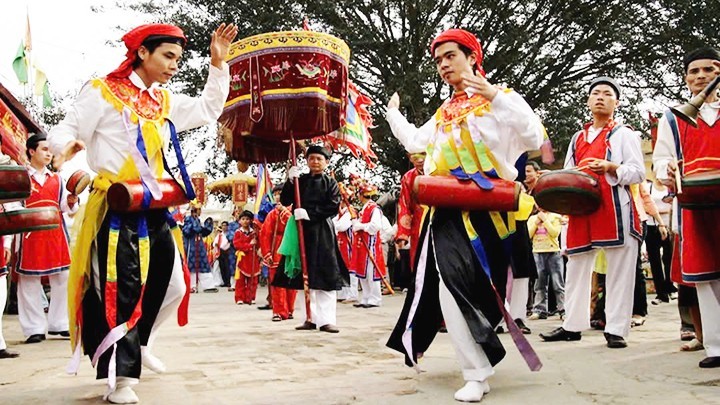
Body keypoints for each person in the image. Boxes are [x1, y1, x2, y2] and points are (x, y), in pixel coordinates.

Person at [48, 22, 237, 403]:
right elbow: (66, 129)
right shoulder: (102, 91)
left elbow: (208, 109)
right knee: (122, 290)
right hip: (114, 207)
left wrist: (218, 64)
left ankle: (144, 340)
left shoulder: (163, 101)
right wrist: (68, 154)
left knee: (175, 285)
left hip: (152, 206)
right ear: (142, 53)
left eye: (179, 59)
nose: (174, 66)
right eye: (167, 56)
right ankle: (121, 381)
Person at [385, 28, 545, 402]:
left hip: (491, 212)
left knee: (479, 291)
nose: (443, 65)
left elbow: (534, 137)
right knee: (448, 283)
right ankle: (476, 371)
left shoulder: (501, 98)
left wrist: (493, 95)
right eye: (438, 60)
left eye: (450, 56)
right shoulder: (444, 112)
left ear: (473, 57)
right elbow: (416, 143)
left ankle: (480, 355)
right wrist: (392, 116)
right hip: (447, 212)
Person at [540, 77, 645, 349]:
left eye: (607, 94)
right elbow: (570, 172)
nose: (600, 97)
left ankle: (616, 329)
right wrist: (552, 178)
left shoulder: (624, 134)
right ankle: (572, 324)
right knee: (576, 265)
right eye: (595, 93)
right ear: (587, 101)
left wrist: (611, 166)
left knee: (620, 268)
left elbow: (638, 172)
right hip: (580, 206)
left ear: (616, 102)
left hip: (614, 207)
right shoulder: (578, 137)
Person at [652, 47, 720, 368]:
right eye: (694, 72)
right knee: (705, 277)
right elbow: (662, 159)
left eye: (709, 70)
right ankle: (716, 346)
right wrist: (668, 170)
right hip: (694, 204)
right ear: (685, 78)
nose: (701, 76)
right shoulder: (672, 118)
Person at [273, 145, 346, 334]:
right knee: (304, 275)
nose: (315, 162)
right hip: (301, 231)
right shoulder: (300, 181)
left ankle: (327, 320)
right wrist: (290, 180)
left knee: (325, 275)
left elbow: (333, 206)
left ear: (326, 162)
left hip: (322, 231)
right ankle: (309, 318)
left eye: (319, 159)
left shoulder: (330, 183)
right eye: (311, 158)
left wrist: (310, 213)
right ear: (306, 161)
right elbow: (287, 200)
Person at [16, 133, 78, 344]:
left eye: (50, 150)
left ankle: (59, 324)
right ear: (31, 151)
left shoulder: (57, 179)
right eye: (44, 149)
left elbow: (66, 208)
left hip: (55, 234)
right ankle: (34, 328)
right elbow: (14, 206)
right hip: (29, 234)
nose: (49, 153)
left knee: (62, 279)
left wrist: (71, 201)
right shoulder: (21, 177)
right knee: (29, 281)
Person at [260, 185, 297, 321]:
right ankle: (279, 311)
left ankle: (290, 309)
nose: (278, 196)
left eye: (280, 193)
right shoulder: (271, 214)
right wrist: (267, 253)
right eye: (275, 194)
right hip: (276, 248)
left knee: (290, 281)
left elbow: (295, 227)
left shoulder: (293, 212)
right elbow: (265, 235)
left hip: (290, 246)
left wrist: (285, 212)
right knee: (277, 282)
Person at [395, 151, 426, 291]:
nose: (419, 160)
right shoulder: (408, 177)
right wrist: (403, 233)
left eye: (423, 155)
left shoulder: (441, 171)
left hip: (441, 221)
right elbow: (405, 205)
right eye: (414, 157)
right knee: (420, 261)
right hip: (418, 224)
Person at [352, 183, 385, 308]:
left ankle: (375, 298)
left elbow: (375, 226)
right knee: (363, 271)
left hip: (370, 245)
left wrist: (361, 226)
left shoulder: (374, 208)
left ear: (361, 195)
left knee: (371, 272)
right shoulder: (364, 209)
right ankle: (366, 297)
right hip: (362, 245)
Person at [527, 208, 564, 320]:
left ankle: (563, 309)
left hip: (553, 252)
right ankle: (539, 309)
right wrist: (536, 223)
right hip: (537, 252)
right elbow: (528, 234)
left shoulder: (555, 216)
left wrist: (545, 220)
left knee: (558, 283)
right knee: (539, 284)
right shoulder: (533, 218)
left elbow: (555, 233)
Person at [645, 177, 675, 305]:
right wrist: (659, 213)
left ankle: (670, 287)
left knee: (669, 259)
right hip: (652, 226)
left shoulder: (670, 187)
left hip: (668, 226)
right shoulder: (648, 188)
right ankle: (661, 293)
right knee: (655, 261)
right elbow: (646, 206)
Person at [183, 206, 216, 293]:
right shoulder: (188, 219)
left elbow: (204, 232)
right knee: (191, 265)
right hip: (191, 245)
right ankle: (192, 286)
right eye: (198, 210)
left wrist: (208, 225)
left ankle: (208, 285)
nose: (199, 212)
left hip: (199, 245)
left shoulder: (199, 220)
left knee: (204, 263)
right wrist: (195, 225)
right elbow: (186, 231)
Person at [233, 210, 260, 305]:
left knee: (253, 281)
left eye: (247, 219)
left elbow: (258, 244)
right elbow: (237, 245)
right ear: (239, 221)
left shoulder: (254, 233)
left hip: (253, 258)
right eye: (243, 219)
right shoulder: (238, 232)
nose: (245, 221)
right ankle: (240, 297)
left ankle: (250, 297)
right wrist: (249, 245)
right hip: (243, 258)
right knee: (240, 280)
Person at [334, 201, 357, 302]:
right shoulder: (341, 213)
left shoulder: (349, 212)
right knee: (341, 268)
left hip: (349, 244)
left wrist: (335, 224)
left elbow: (341, 226)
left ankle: (352, 294)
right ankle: (343, 293)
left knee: (350, 269)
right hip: (341, 243)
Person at [213, 221, 232, 287]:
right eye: (223, 225)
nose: (224, 227)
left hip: (227, 251)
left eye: (225, 225)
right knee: (222, 267)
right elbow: (215, 243)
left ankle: (228, 282)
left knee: (227, 267)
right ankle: (224, 282)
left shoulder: (229, 234)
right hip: (220, 252)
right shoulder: (220, 235)